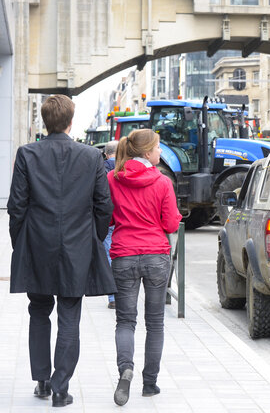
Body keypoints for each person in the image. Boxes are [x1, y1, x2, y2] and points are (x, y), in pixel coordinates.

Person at [7, 94, 115, 408]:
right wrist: (92, 240)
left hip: (37, 244)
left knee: (39, 311)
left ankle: (41, 380)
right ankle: (60, 387)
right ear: (70, 122)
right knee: (70, 315)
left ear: (45, 121)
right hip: (77, 246)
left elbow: (17, 207)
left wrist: (20, 243)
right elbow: (103, 206)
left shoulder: (27, 154)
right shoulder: (91, 157)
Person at [108, 129, 181, 406]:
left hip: (124, 254)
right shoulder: (162, 182)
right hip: (155, 256)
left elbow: (107, 218)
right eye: (158, 147)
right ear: (147, 152)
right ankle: (149, 383)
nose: (160, 152)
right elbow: (172, 224)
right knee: (155, 323)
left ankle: (125, 369)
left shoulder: (112, 179)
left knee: (125, 321)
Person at [103, 140, 119, 309]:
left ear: (106, 154)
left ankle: (112, 297)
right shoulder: (126, 168)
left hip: (107, 218)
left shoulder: (100, 169)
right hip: (124, 217)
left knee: (109, 254)